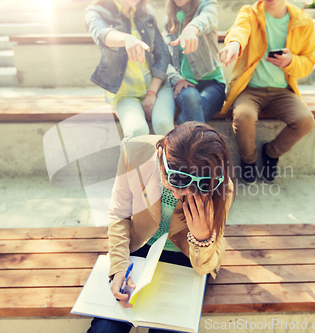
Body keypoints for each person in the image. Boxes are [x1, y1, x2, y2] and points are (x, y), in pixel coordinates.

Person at [86, 122, 234, 333]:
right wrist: (118, 266)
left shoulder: (221, 186)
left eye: (194, 188)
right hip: (139, 251)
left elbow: (205, 266)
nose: (179, 195)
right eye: (174, 180)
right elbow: (119, 214)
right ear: (160, 155)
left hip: (186, 257)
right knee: (105, 329)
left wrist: (202, 237)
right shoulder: (134, 152)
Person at [218, 0, 315, 183]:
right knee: (243, 116)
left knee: (305, 121)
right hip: (250, 89)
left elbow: (309, 62)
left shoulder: (303, 21)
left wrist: (291, 62)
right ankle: (249, 161)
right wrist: (234, 45)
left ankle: (270, 153)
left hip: (283, 92)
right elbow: (240, 30)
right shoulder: (250, 13)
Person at [86, 0, 175, 142]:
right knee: (137, 132)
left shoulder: (146, 11)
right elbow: (101, 34)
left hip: (157, 86)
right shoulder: (97, 11)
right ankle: (130, 165)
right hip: (125, 92)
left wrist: (152, 92)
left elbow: (163, 54)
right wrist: (126, 38)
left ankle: (165, 165)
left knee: (164, 126)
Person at [164, 0, 226, 124]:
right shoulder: (169, 20)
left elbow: (207, 17)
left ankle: (193, 141)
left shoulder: (207, 4)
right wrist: (177, 79)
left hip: (212, 83)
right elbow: (166, 58)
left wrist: (192, 29)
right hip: (183, 84)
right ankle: (206, 143)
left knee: (185, 120)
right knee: (190, 97)